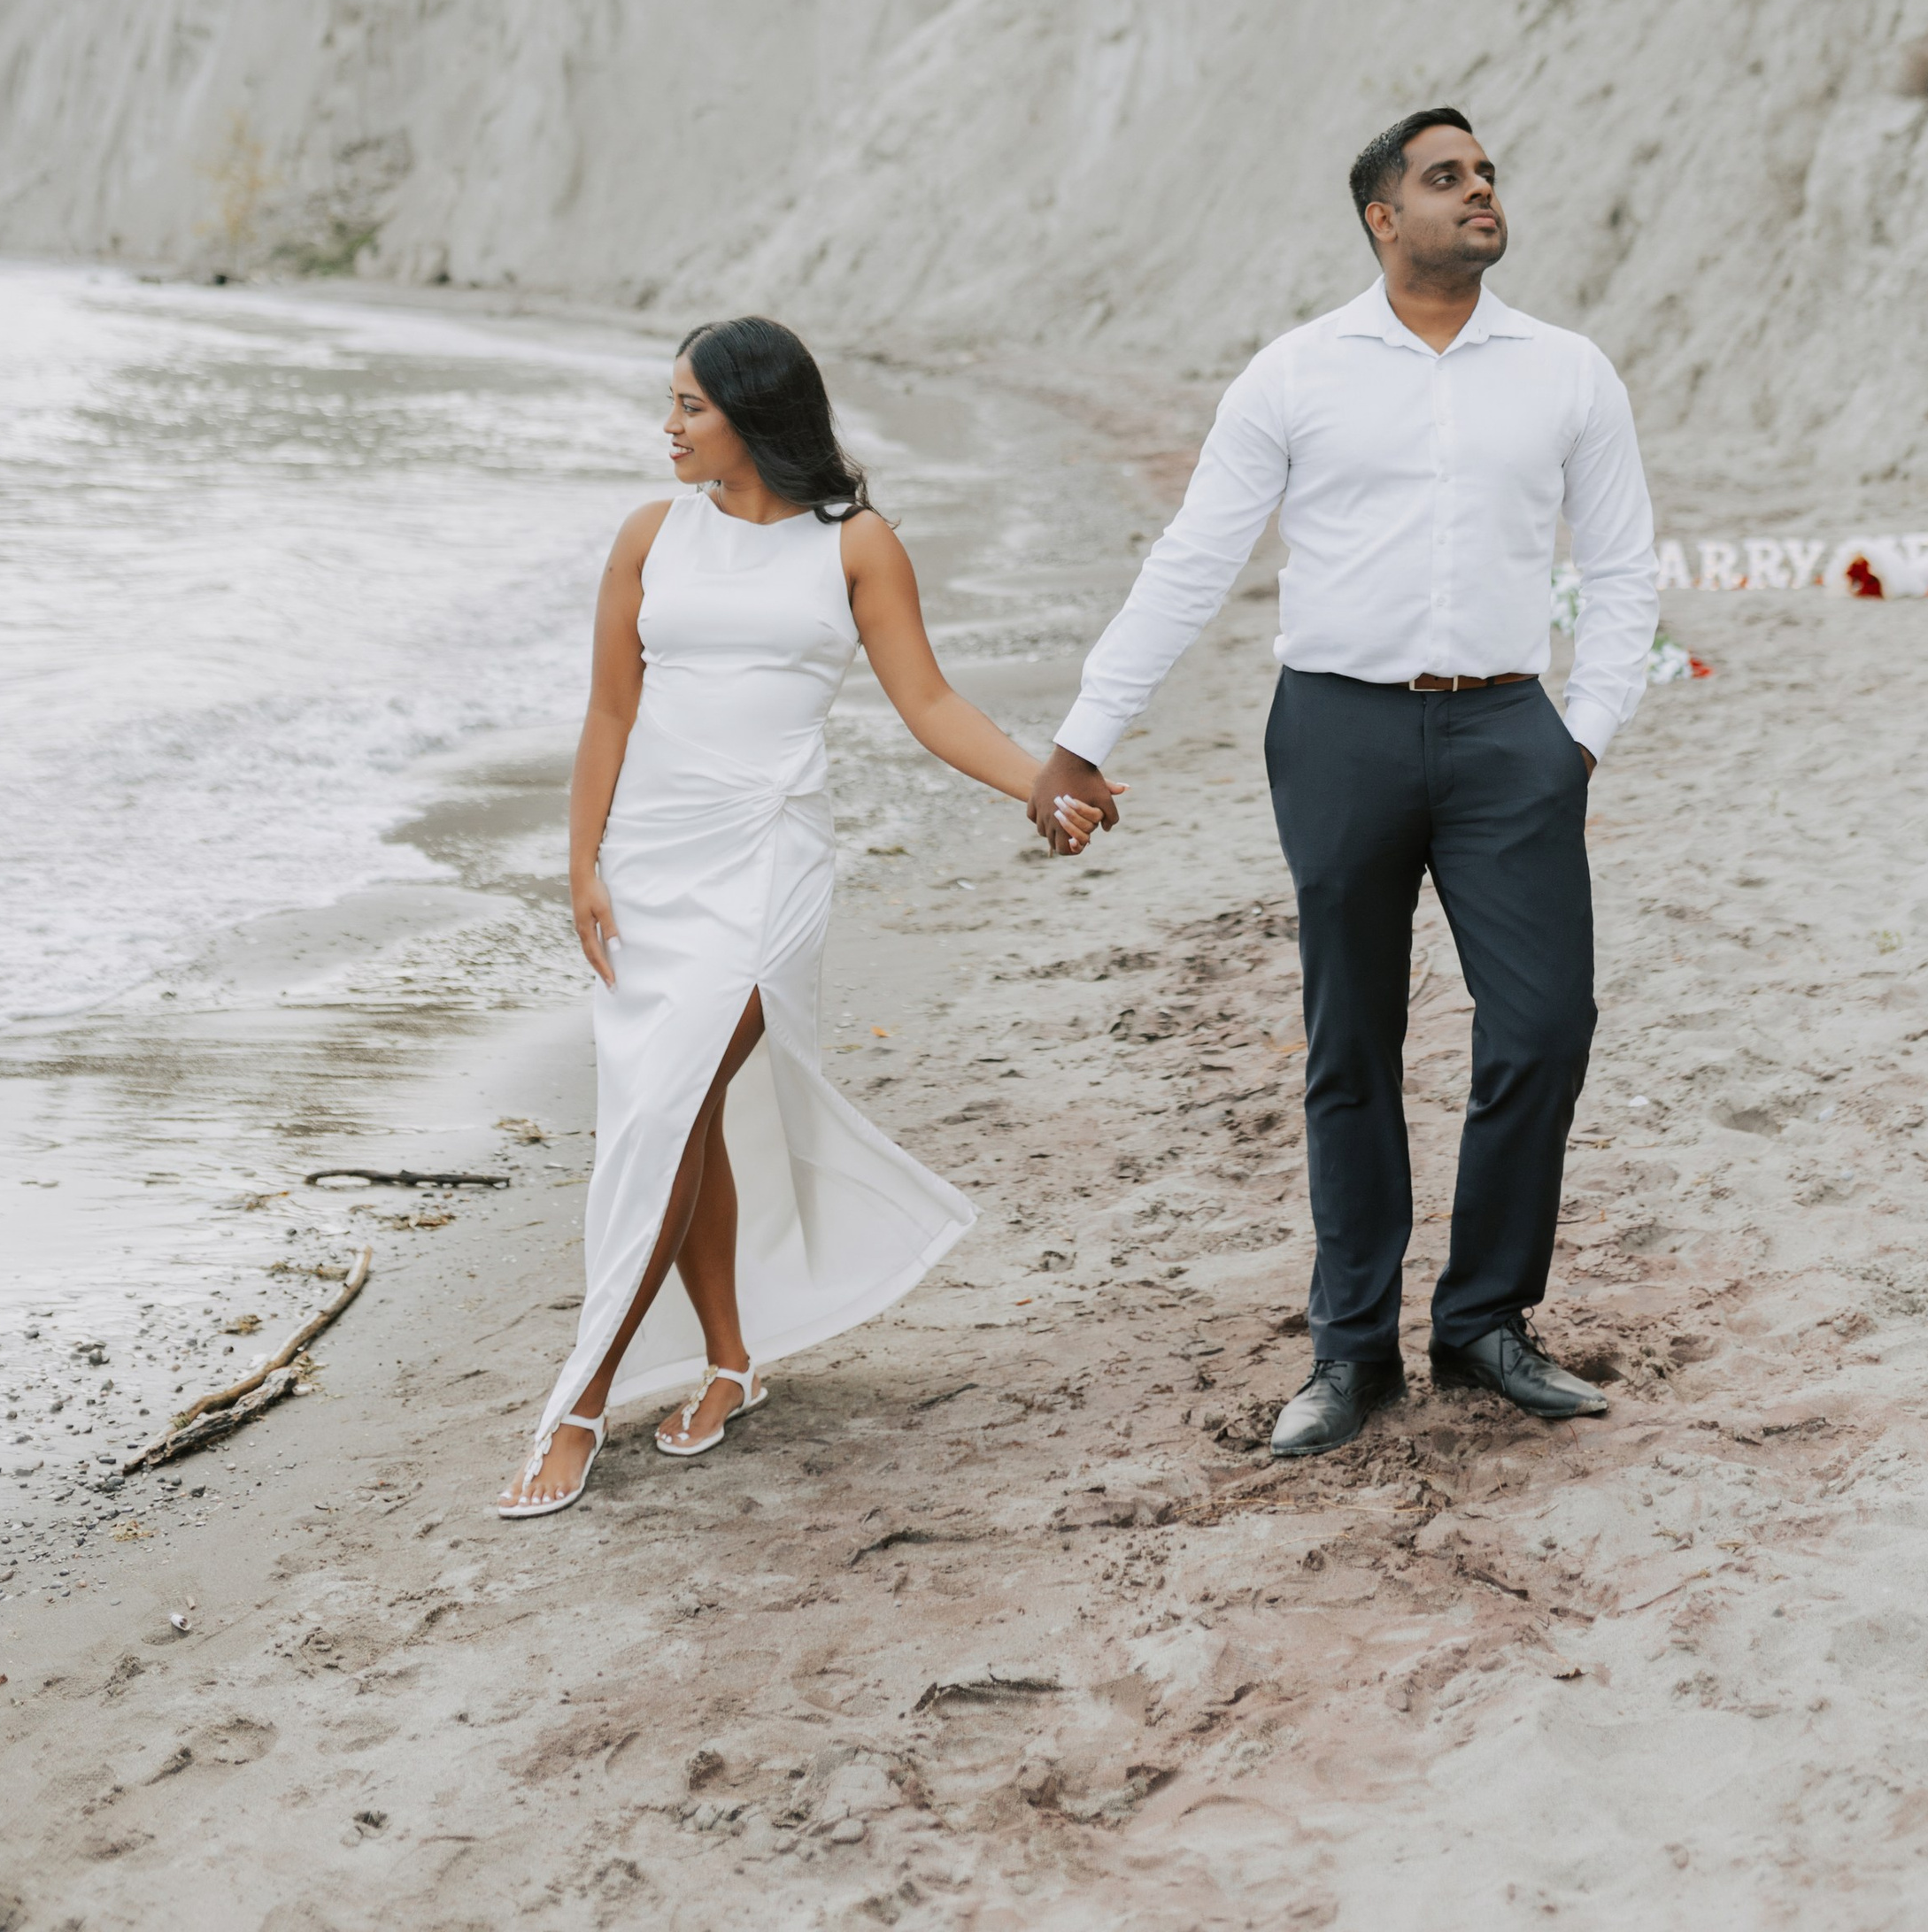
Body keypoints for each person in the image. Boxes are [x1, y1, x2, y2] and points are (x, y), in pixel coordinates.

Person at [1028, 110, 1657, 1455]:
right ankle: (1352, 1349)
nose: (1478, 192)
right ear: (1383, 216)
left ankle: (1487, 1322)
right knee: (1350, 1045)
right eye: (1447, 179)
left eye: (1485, 175)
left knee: (1545, 1028)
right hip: (1336, 734)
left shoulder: (1567, 372)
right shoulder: (1295, 375)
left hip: (1507, 738)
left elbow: (1620, 572)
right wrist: (1088, 733)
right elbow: (1195, 557)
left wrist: (1579, 734)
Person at [500, 316, 1108, 1517]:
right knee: (671, 1109)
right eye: (667, 404)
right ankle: (729, 1361)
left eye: (688, 407)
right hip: (653, 864)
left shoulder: (856, 545)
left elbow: (926, 700)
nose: (666, 428)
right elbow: (609, 716)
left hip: (769, 861)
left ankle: (580, 1396)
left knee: (667, 1114)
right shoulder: (646, 539)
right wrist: (581, 863)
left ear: (756, 415)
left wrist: (1043, 777)